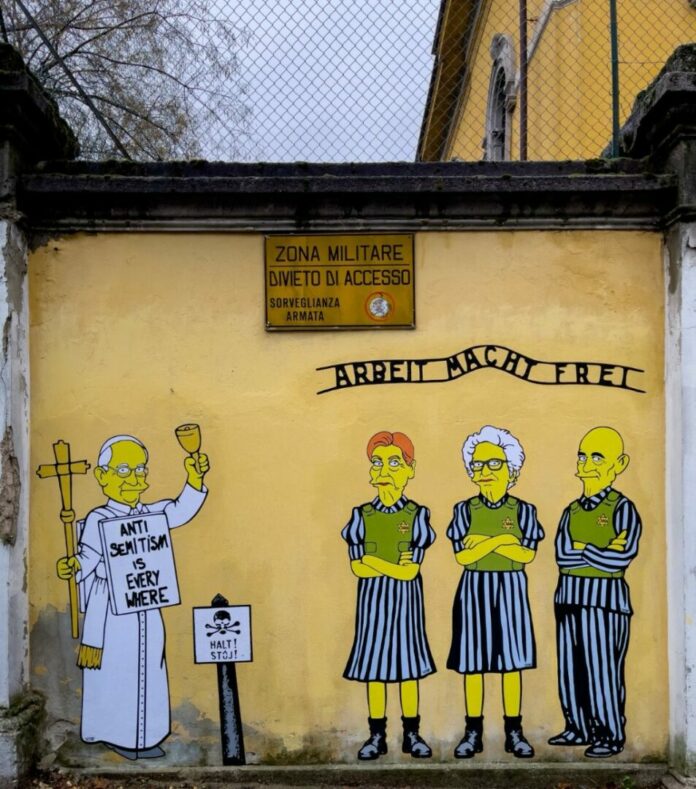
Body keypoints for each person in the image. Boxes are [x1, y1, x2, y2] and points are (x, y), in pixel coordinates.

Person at [56, 433, 209, 760]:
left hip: (146, 605)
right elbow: (88, 557)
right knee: (116, 670)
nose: (134, 478)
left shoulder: (150, 515)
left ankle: (146, 736)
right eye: (124, 470)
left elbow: (179, 510)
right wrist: (74, 565)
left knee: (150, 667)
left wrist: (194, 479)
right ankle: (114, 733)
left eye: (140, 470)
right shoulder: (99, 519)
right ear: (103, 476)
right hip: (112, 612)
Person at [447, 425, 543, 759]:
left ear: (511, 468)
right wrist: (505, 542)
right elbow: (463, 557)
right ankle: (472, 731)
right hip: (474, 589)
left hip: (511, 589)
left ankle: (514, 731)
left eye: (493, 463)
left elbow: (526, 554)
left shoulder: (523, 510)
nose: (484, 471)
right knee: (473, 664)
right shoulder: (464, 510)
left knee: (511, 663)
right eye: (477, 464)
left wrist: (487, 542)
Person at [342, 430, 435, 760]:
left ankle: (412, 733)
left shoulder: (417, 515)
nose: (384, 469)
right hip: (373, 604)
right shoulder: (361, 516)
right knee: (374, 669)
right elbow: (358, 568)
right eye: (378, 462)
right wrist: (391, 565)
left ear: (410, 469)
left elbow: (410, 572)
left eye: (394, 462)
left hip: (406, 603)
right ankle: (376, 735)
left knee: (408, 667)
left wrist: (374, 560)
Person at [549, 426, 641, 758]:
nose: (587, 463)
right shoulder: (571, 510)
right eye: (583, 456)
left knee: (602, 669)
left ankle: (609, 734)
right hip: (568, 596)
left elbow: (621, 557)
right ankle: (577, 727)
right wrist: (599, 550)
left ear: (619, 464)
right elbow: (562, 556)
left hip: (605, 601)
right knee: (570, 667)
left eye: (597, 457)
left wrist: (583, 548)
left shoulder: (622, 507)